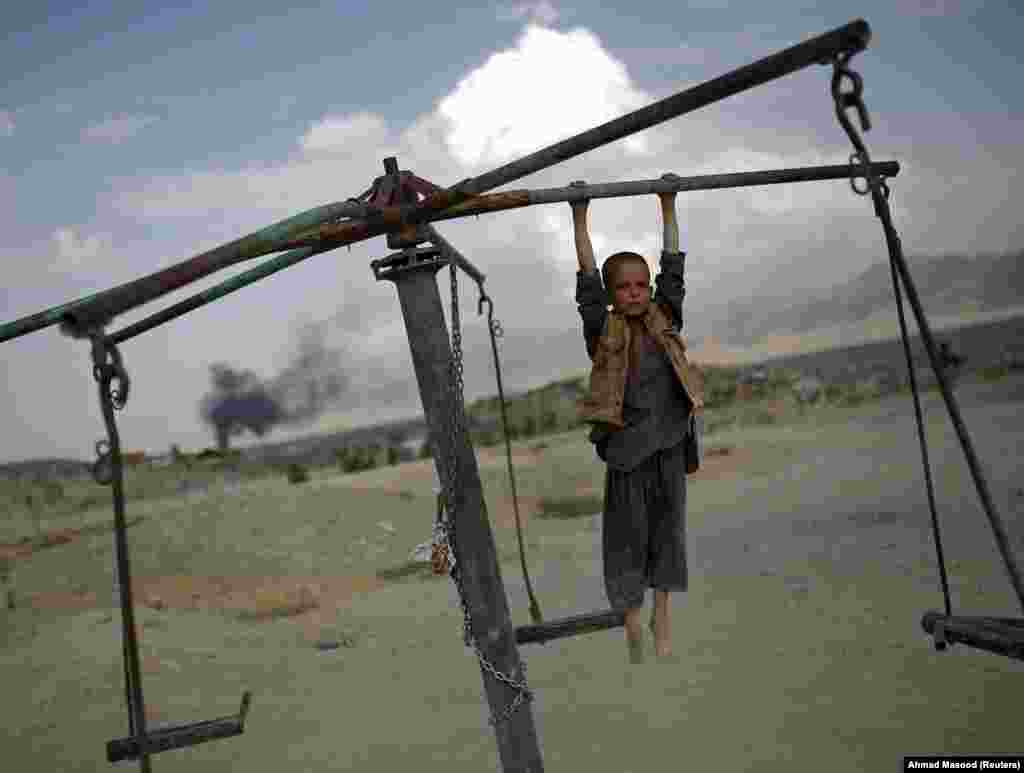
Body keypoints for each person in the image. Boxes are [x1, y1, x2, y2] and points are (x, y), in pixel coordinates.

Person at [571, 184, 704, 664]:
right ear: (611, 294)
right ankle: (631, 614)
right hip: (627, 450)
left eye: (640, 285)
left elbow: (673, 266)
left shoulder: (665, 315)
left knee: (669, 531)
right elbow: (586, 273)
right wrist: (579, 214)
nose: (634, 293)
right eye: (624, 287)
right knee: (628, 537)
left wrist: (667, 205)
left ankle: (661, 615)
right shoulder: (601, 328)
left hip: (670, 441)